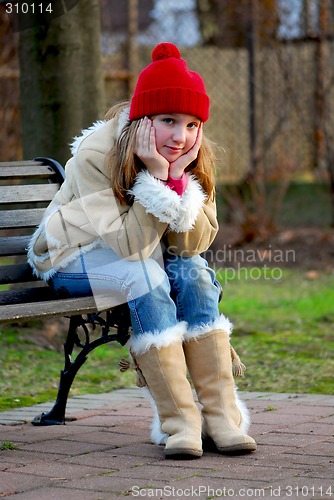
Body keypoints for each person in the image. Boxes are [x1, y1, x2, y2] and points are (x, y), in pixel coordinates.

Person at [27, 42, 257, 459]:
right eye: (168, 120)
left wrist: (177, 182)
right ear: (142, 119)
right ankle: (179, 423)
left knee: (196, 275)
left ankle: (222, 417)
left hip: (140, 253)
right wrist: (154, 178)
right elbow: (131, 249)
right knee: (145, 275)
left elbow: (192, 245)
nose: (180, 136)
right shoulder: (96, 156)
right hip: (72, 253)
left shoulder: (193, 156)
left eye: (191, 124)